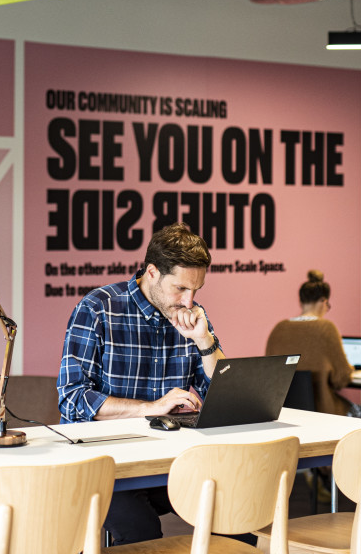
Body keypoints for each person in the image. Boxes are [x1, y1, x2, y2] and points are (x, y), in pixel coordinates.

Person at [57, 222, 225, 545]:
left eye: (196, 291)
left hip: (167, 465)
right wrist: (152, 408)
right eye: (180, 289)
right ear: (152, 273)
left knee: (233, 509)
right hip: (103, 470)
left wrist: (205, 342)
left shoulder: (191, 317)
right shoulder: (98, 309)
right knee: (140, 530)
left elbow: (221, 397)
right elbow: (72, 400)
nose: (189, 301)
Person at [265, 269, 355, 416]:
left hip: (283, 412)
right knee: (358, 412)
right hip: (321, 412)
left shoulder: (279, 329)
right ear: (324, 301)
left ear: (301, 301)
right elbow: (341, 378)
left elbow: (269, 375)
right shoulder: (326, 328)